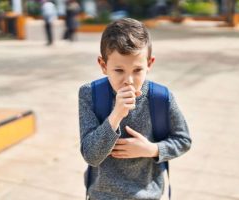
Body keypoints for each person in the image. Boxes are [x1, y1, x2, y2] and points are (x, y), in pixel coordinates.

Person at [78, 18, 192, 200]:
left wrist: (152, 149)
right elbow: (91, 155)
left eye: (137, 70)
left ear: (150, 64)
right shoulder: (90, 94)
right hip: (101, 195)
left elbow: (183, 140)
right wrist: (116, 115)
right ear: (103, 65)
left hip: (148, 195)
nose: (129, 80)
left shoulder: (161, 97)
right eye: (119, 70)